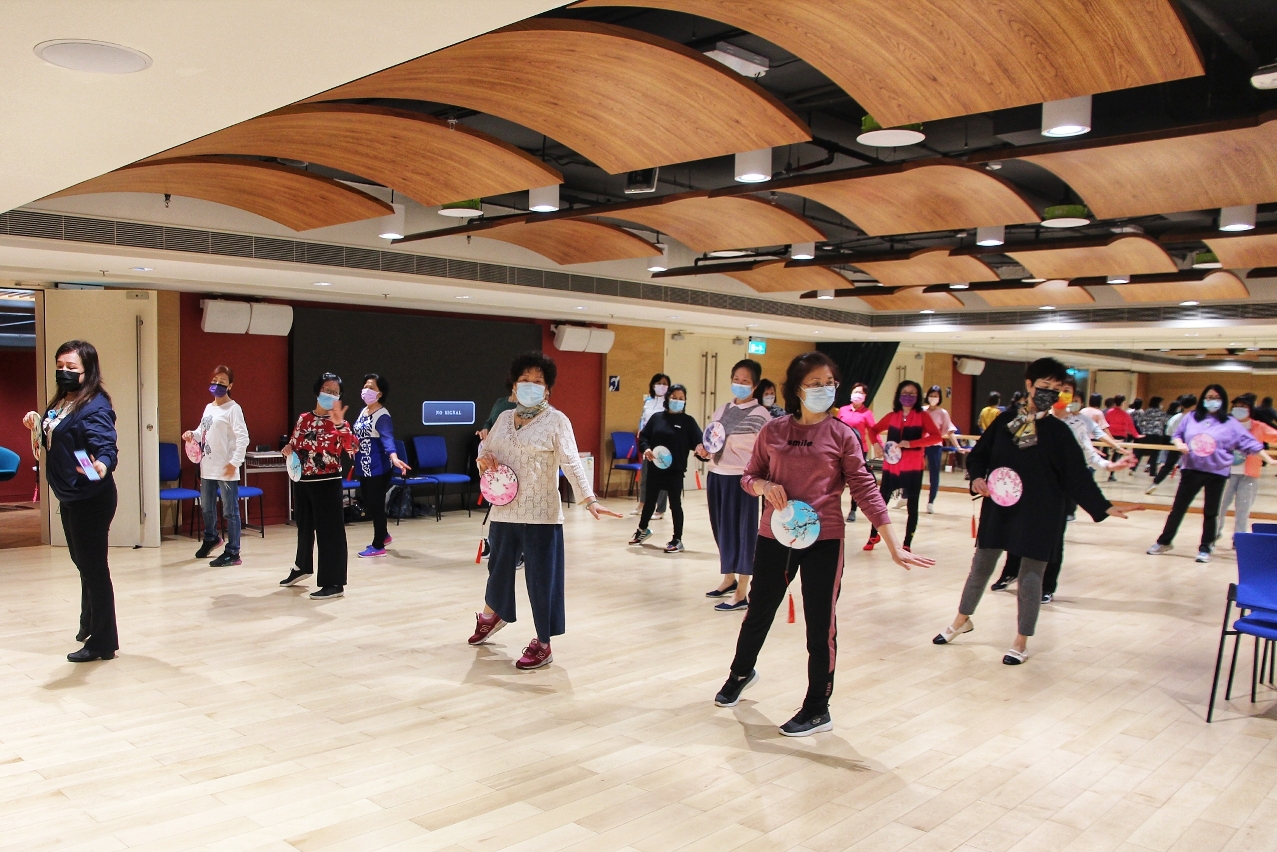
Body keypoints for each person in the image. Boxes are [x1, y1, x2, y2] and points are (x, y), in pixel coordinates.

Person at [713, 352, 934, 736]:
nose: (823, 390)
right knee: (760, 609)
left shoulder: (842, 434)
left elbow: (865, 488)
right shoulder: (774, 431)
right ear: (797, 389)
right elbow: (749, 477)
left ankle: (817, 707)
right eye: (815, 384)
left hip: (824, 540)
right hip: (776, 536)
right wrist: (764, 486)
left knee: (820, 624)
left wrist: (893, 543)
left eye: (829, 383)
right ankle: (741, 673)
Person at [934, 358, 1133, 665]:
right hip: (1000, 507)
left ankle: (1021, 640)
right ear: (1029, 385)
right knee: (981, 567)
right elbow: (979, 456)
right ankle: (962, 620)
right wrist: (976, 478)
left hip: (1041, 513)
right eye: (1044, 386)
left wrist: (1104, 506)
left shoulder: (1059, 432)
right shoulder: (1005, 421)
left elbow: (1077, 476)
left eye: (1057, 389)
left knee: (1030, 577)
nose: (1050, 393)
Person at [469, 351, 623, 668]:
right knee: (498, 570)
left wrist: (589, 499)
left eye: (537, 381)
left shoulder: (557, 421)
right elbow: (486, 453)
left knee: (542, 581)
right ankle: (494, 615)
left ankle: (543, 643)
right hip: (504, 510)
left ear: (547, 389)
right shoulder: (503, 419)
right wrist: (483, 462)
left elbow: (572, 463)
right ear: (514, 386)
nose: (530, 385)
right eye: (524, 380)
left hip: (541, 515)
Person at [990, 375, 1135, 600]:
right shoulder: (1032, 418)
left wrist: (1110, 466)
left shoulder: (1078, 423)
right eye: (1057, 389)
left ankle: (1047, 586)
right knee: (1018, 530)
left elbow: (1088, 454)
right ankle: (1010, 573)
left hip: (1059, 491)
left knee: (1053, 539)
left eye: (1066, 391)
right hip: (1028, 488)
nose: (1061, 395)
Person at [24, 340, 120, 662]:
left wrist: (101, 465)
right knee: (83, 563)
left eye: (71, 367)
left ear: (87, 371)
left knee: (94, 569)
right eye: (60, 366)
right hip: (69, 495)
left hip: (91, 498)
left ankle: (103, 643)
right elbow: (57, 436)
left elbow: (106, 446)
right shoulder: (63, 400)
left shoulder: (95, 405)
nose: (63, 372)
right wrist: (36, 423)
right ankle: (88, 622)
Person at [1147, 384, 1263, 563]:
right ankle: (1164, 541)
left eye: (1216, 398)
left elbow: (1250, 443)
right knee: (1178, 508)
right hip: (1191, 469)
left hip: (1216, 472)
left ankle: (1206, 547)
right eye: (1209, 397)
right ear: (1202, 399)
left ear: (1223, 401)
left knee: (1211, 512)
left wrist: (1269, 459)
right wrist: (1179, 444)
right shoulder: (1191, 417)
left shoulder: (1230, 422)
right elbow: (1177, 435)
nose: (1212, 401)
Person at [702, 359, 771, 611]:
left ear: (754, 385)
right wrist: (704, 449)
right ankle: (728, 579)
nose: (739, 384)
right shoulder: (722, 410)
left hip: (743, 480)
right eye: (736, 380)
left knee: (743, 532)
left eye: (745, 381)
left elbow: (765, 452)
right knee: (721, 530)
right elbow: (713, 440)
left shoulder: (761, 415)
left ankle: (742, 591)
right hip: (716, 475)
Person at [280, 372, 357, 599]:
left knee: (330, 532)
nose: (330, 395)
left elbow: (352, 448)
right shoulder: (304, 418)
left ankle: (334, 583)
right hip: (303, 481)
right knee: (304, 527)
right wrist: (288, 449)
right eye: (327, 390)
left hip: (327, 482)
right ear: (317, 391)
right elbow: (294, 443)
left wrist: (340, 425)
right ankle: (302, 566)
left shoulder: (340, 423)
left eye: (335, 392)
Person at [182, 365, 250, 567]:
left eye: (222, 382)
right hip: (207, 467)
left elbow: (243, 438)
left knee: (230, 511)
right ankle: (211, 538)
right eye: (215, 381)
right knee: (206, 507)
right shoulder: (208, 407)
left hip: (226, 468)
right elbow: (202, 431)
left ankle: (233, 551)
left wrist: (234, 463)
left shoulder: (234, 409)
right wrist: (191, 435)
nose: (217, 385)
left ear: (230, 385)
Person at [865, 381, 942, 551]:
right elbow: (873, 430)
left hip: (913, 467)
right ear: (899, 395)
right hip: (891, 467)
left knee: (912, 506)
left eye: (912, 393)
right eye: (905, 392)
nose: (908, 396)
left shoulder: (923, 416)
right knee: (881, 503)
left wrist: (912, 443)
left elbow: (936, 437)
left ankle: (907, 543)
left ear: (918, 397)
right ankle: (873, 535)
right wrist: (876, 445)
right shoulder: (892, 416)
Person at [630, 384, 701, 552]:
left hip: (675, 471)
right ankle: (642, 530)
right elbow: (644, 438)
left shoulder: (688, 422)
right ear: (668, 398)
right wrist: (646, 449)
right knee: (649, 501)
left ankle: (677, 540)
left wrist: (703, 451)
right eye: (674, 397)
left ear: (685, 401)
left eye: (681, 398)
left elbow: (699, 444)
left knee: (675, 504)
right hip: (655, 468)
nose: (677, 401)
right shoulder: (657, 418)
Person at [352, 374, 411, 558]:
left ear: (380, 393)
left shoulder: (382, 416)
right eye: (365, 386)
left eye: (371, 387)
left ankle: (378, 545)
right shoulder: (364, 411)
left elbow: (387, 439)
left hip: (378, 468)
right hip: (364, 467)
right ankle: (384, 534)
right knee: (368, 502)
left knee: (376, 505)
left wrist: (394, 457)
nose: (366, 390)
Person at [1215, 396, 1277, 548]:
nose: (1239, 409)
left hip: (1249, 474)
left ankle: (1239, 539)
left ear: (1250, 410)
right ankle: (1213, 534)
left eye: (1243, 406)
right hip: (1224, 473)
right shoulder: (1225, 425)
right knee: (1218, 507)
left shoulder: (1258, 426)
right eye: (1236, 406)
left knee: (1243, 509)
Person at [836, 382, 877, 522]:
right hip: (840, 450)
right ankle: (834, 508)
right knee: (836, 480)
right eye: (855, 392)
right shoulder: (843, 410)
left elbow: (873, 431)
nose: (857, 395)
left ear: (865, 396)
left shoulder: (867, 413)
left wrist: (878, 445)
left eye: (860, 392)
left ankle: (853, 509)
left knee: (855, 481)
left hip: (859, 451)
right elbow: (836, 428)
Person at [635, 373, 671, 520]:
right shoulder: (648, 402)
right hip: (648, 442)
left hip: (663, 443)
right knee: (646, 475)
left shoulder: (669, 403)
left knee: (661, 477)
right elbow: (642, 419)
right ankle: (642, 503)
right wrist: (640, 430)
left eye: (665, 383)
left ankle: (660, 509)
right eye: (658, 383)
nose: (661, 386)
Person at [922, 385, 962, 514]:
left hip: (935, 446)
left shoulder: (943, 413)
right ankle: (906, 496)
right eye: (931, 395)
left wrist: (957, 446)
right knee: (914, 472)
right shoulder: (922, 410)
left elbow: (950, 431)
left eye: (936, 396)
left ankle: (931, 502)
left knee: (934, 474)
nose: (933, 398)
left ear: (939, 398)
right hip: (920, 445)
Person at [1149, 395, 1195, 493]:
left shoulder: (1175, 417)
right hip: (1189, 446)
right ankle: (1187, 488)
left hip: (1175, 444)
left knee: (1168, 465)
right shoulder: (1194, 418)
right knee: (1190, 467)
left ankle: (1155, 483)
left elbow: (1168, 432)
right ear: (1194, 406)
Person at [1133, 396, 1169, 476]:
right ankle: (1152, 472)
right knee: (1155, 454)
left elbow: (1140, 422)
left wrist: (1144, 429)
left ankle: (1132, 468)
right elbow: (1166, 422)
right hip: (1157, 435)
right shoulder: (1161, 413)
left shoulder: (1146, 411)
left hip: (1146, 434)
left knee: (1140, 452)